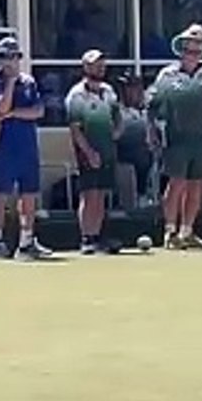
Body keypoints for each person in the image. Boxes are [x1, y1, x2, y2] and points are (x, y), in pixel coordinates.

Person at [147, 24, 202, 250]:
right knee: (176, 184)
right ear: (181, 51)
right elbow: (152, 104)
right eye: (189, 50)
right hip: (176, 137)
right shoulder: (168, 74)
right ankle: (170, 231)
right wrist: (151, 131)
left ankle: (187, 231)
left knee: (196, 186)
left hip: (201, 138)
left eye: (197, 51)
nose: (192, 55)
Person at [0, 37, 51, 260]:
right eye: (3, 57)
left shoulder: (29, 81)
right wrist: (10, 84)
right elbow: (0, 110)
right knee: (2, 194)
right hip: (2, 145)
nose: (8, 61)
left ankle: (27, 241)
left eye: (12, 56)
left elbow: (38, 111)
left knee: (29, 194)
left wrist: (14, 114)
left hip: (27, 145)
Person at [65, 49, 122, 255]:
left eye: (102, 63)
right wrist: (89, 152)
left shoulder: (109, 91)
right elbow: (75, 129)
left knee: (100, 195)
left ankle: (97, 236)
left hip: (107, 150)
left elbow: (117, 116)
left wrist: (117, 131)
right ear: (86, 67)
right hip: (87, 151)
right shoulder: (77, 95)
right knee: (89, 195)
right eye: (95, 64)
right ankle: (86, 237)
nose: (100, 67)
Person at [116, 74, 155, 208]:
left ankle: (158, 196)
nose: (130, 91)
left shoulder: (147, 111)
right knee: (143, 157)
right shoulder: (117, 109)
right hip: (122, 150)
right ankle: (141, 195)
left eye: (134, 87)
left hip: (144, 148)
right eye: (127, 88)